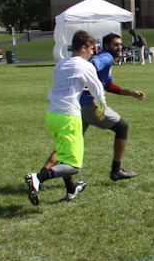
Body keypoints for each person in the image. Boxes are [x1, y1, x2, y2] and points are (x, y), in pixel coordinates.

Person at [24, 30, 108, 205]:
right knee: (74, 166)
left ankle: (71, 189)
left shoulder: (61, 64)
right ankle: (38, 177)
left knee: (63, 155)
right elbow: (98, 90)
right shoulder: (85, 66)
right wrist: (102, 109)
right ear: (83, 47)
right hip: (69, 116)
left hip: (53, 115)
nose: (93, 53)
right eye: (92, 49)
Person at [80, 32, 145, 181]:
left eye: (120, 44)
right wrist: (88, 87)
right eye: (116, 44)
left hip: (79, 106)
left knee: (71, 142)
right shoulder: (106, 57)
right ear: (106, 45)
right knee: (122, 127)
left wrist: (130, 93)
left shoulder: (105, 57)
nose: (119, 47)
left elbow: (108, 85)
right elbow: (90, 67)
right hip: (93, 107)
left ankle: (41, 175)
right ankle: (116, 170)